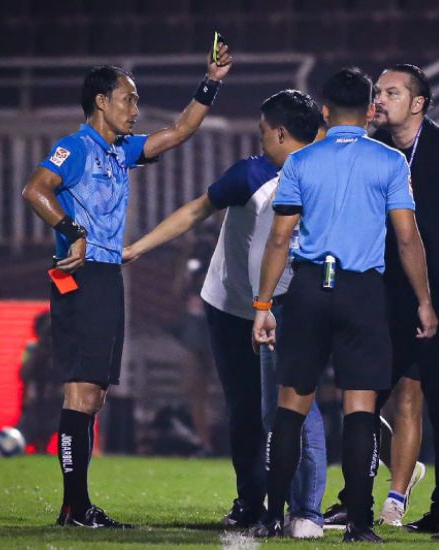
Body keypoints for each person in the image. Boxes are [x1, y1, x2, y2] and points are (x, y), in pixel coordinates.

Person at [20, 44, 233, 529]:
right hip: (81, 275)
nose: (135, 110)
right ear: (101, 101)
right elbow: (35, 189)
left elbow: (180, 131)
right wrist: (72, 232)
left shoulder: (121, 150)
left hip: (106, 275)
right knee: (81, 392)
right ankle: (75, 507)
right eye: (128, 99)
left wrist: (211, 83)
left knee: (93, 394)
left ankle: (78, 504)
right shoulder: (74, 147)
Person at [123, 90, 327, 538]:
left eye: (261, 131)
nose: (259, 139)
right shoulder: (250, 173)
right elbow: (198, 210)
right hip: (232, 308)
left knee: (293, 409)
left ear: (279, 131)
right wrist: (140, 246)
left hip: (287, 309)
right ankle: (251, 502)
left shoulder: (322, 177)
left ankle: (304, 509)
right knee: (245, 408)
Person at [250, 67, 437, 543]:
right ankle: (358, 522)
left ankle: (274, 516)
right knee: (360, 408)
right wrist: (424, 301)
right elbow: (408, 238)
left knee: (290, 407)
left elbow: (279, 238)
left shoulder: (302, 162)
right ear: (370, 108)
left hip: (311, 288)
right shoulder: (391, 162)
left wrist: (263, 304)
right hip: (362, 292)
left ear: (326, 111)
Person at [321, 63, 439, 532]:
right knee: (363, 402)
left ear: (418, 103)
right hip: (379, 298)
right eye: (378, 92)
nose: (379, 99)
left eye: (391, 92)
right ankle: (355, 500)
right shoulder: (371, 150)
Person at [15, 311, 62, 453]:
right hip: (35, 401)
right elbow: (24, 374)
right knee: (28, 430)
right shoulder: (32, 349)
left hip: (56, 400)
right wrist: (40, 352)